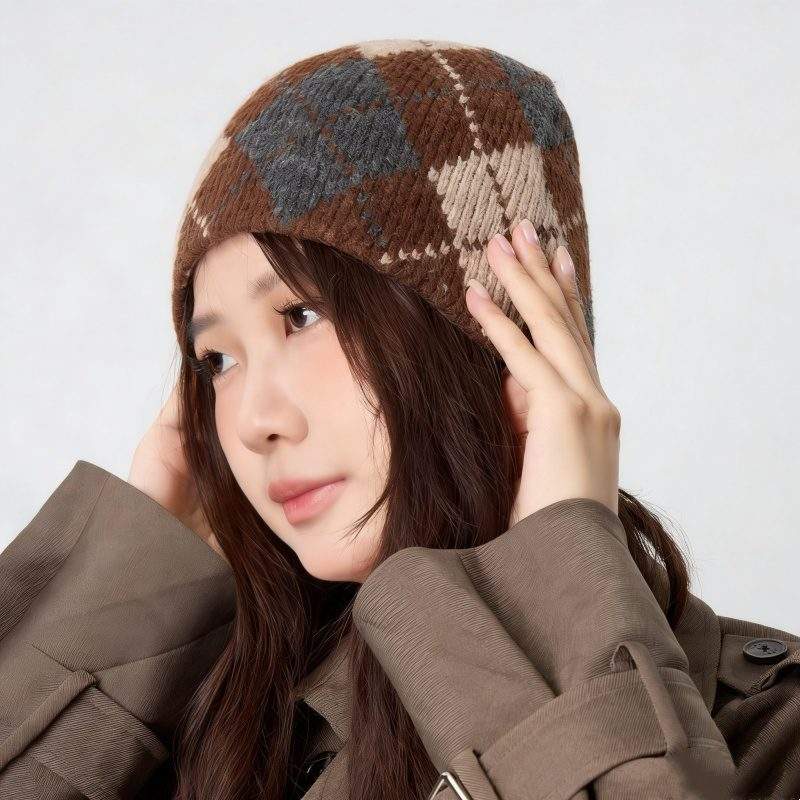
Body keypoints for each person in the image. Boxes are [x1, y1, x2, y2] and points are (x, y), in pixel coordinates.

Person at [0, 37, 797, 800]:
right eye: (217, 360)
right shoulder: (213, 725)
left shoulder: (770, 732)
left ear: (503, 344)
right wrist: (130, 584)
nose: (249, 424)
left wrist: (559, 580)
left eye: (301, 316)